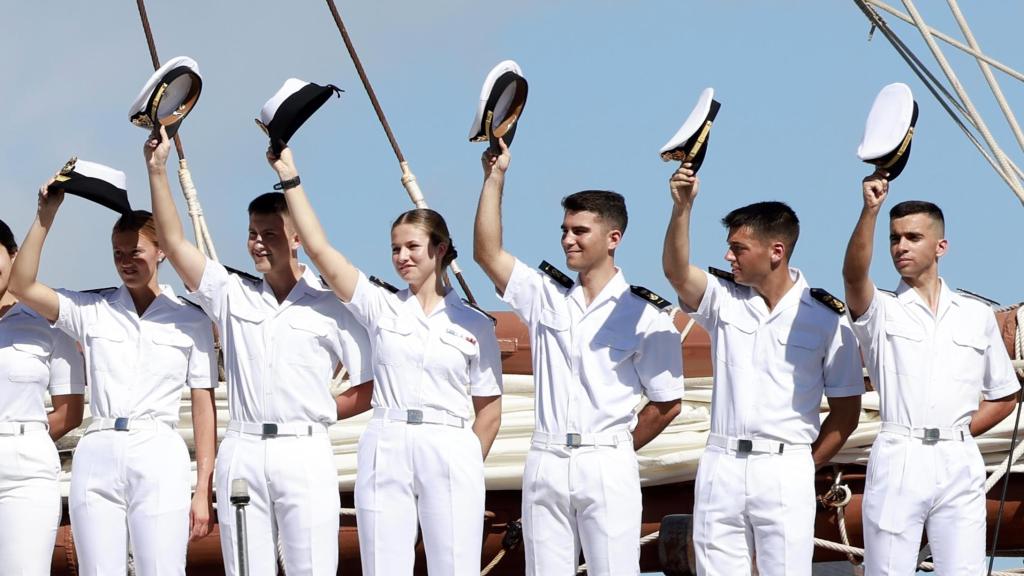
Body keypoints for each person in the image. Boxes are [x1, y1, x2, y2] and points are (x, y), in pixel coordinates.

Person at [144, 127, 373, 576]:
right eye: (252, 233)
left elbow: (371, 384)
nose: (257, 243)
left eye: (269, 233)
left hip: (304, 450)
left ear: (296, 239)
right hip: (243, 450)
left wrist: (322, 408)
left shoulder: (331, 306)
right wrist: (157, 170)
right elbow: (173, 244)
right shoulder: (230, 293)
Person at [266, 144, 502, 576]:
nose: (402, 257)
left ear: (440, 248)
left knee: (455, 566)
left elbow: (488, 411)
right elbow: (320, 251)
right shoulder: (381, 306)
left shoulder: (475, 325)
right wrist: (290, 178)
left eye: (412, 246)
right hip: (387, 442)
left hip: (450, 444)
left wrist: (466, 460)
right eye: (395, 249)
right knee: (382, 565)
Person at [474, 139, 684, 576]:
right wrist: (494, 178)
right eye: (565, 230)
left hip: (607, 462)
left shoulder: (646, 315)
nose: (567, 240)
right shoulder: (544, 296)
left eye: (579, 231)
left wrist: (618, 446)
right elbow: (487, 254)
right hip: (546, 458)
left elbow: (668, 402)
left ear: (613, 239)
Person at [662, 163, 863, 576]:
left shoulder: (826, 318)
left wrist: (804, 464)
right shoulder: (723, 300)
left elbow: (846, 411)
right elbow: (677, 273)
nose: (728, 256)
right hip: (722, 462)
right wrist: (682, 208)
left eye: (738, 248)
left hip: (786, 466)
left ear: (776, 251)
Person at [9, 188, 217, 575]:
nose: (125, 262)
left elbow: (203, 404)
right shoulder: (92, 309)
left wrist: (204, 486)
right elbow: (22, 285)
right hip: (98, 449)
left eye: (135, 252)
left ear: (162, 251)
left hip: (159, 448)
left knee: (163, 568)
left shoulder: (192, 319)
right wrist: (45, 216)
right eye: (117, 253)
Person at [842, 171, 1019, 575]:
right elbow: (853, 276)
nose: (900, 246)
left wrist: (958, 432)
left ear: (941, 246)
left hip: (958, 458)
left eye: (912, 237)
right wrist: (870, 211)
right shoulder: (881, 310)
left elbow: (1004, 395)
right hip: (899, 454)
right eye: (894, 238)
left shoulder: (975, 315)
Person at [0, 218, 84, 575]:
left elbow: (70, 412)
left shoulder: (48, 322)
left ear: (13, 255)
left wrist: (23, 438)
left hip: (28, 471)